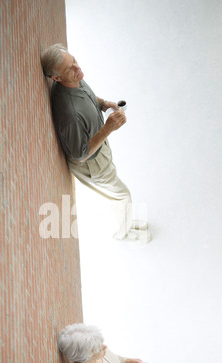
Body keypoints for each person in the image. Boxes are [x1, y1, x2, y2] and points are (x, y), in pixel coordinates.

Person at [40, 44, 151, 243]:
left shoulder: (74, 79)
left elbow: (88, 94)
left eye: (74, 61)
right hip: (93, 163)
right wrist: (108, 128)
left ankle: (125, 220)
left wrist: (102, 103)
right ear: (56, 78)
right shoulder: (69, 113)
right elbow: (80, 155)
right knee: (122, 195)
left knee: (117, 195)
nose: (77, 68)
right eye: (69, 68)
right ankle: (123, 234)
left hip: (100, 153)